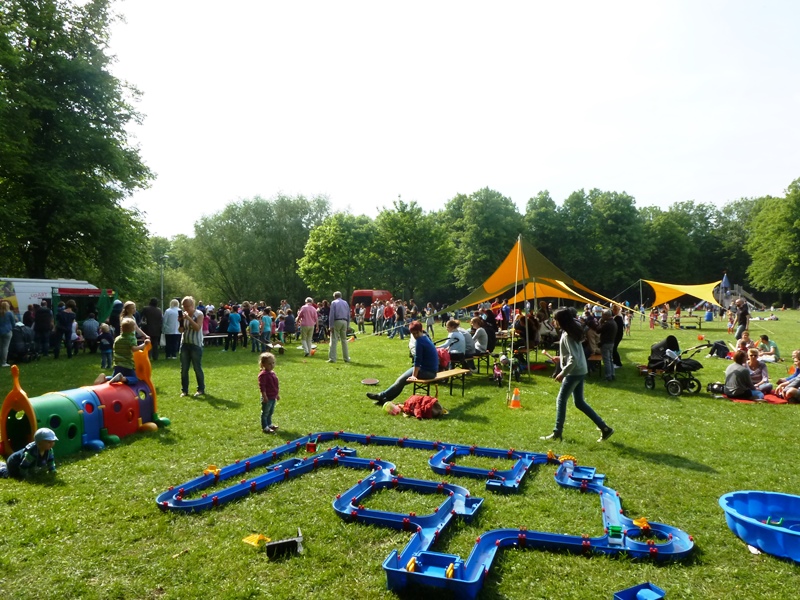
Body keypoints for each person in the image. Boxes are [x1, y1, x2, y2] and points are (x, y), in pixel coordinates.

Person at [540, 308, 614, 443]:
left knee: (561, 400)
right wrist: (560, 357)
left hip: (574, 372)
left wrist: (563, 373)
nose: (553, 321)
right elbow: (574, 354)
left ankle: (557, 432)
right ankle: (605, 428)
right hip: (580, 370)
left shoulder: (568, 335)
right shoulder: (572, 332)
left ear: (560, 321)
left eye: (555, 319)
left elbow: (573, 357)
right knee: (579, 402)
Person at [367, 321, 438, 405]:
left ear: (420, 330)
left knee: (400, 380)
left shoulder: (419, 341)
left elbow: (417, 360)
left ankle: (381, 396)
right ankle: (385, 400)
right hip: (431, 371)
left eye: (416, 333)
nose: (415, 336)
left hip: (427, 371)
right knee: (402, 381)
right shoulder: (425, 337)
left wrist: (414, 376)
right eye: (413, 334)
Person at [93, 317, 145, 386]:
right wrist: (143, 345)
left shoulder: (117, 338)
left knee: (113, 377)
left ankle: (104, 378)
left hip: (117, 364)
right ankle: (122, 378)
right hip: (128, 364)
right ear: (133, 329)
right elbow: (134, 349)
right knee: (135, 379)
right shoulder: (131, 338)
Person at [179, 296, 205, 397]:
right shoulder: (182, 314)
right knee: (184, 368)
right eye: (184, 306)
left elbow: (198, 328)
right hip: (185, 344)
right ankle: (184, 390)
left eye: (187, 306)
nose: (185, 308)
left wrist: (188, 318)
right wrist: (180, 321)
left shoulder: (199, 314)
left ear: (192, 305)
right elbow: (181, 330)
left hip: (196, 344)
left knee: (197, 368)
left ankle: (201, 389)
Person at [258, 351, 280, 433]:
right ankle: (265, 427)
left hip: (273, 396)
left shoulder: (272, 373)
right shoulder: (263, 375)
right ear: (263, 364)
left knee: (271, 411)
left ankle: (269, 424)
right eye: (269, 364)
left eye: (273, 363)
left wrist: (277, 394)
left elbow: (275, 385)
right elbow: (262, 387)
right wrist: (264, 396)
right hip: (267, 397)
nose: (272, 365)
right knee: (265, 412)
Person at [328, 291, 350, 363]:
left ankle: (332, 358)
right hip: (345, 321)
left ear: (334, 296)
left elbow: (331, 315)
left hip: (337, 321)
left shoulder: (334, 303)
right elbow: (348, 314)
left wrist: (331, 325)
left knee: (334, 340)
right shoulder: (345, 303)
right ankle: (346, 358)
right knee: (344, 341)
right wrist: (348, 325)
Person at [598, 309, 617, 381]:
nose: (602, 316)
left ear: (606, 315)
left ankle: (608, 376)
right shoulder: (613, 322)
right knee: (610, 360)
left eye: (603, 315)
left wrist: (600, 323)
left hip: (606, 343)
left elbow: (598, 330)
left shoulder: (607, 323)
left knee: (606, 361)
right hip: (611, 343)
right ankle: (612, 374)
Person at [0, 300, 17, 367]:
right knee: (5, 347)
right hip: (7, 331)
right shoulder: (9, 313)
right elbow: (13, 323)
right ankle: (3, 362)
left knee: (1, 347)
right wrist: (12, 327)